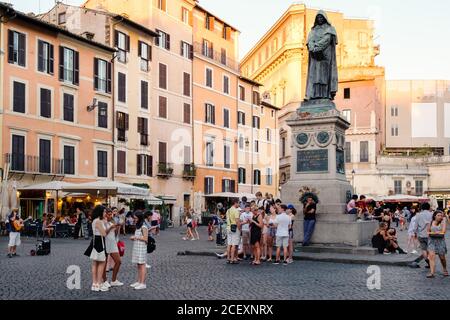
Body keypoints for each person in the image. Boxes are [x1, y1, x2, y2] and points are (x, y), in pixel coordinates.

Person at [86, 205, 108, 292]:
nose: (105, 213)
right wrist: (106, 225)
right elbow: (104, 233)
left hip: (95, 241)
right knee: (101, 263)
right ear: (101, 212)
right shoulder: (98, 221)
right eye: (104, 212)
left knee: (95, 263)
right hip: (100, 242)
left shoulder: (95, 220)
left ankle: (94, 284)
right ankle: (98, 283)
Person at [102, 208, 123, 287]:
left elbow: (115, 233)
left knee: (118, 261)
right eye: (109, 214)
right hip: (105, 242)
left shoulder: (112, 221)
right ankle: (104, 280)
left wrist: (117, 228)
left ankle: (114, 280)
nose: (110, 216)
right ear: (105, 214)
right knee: (104, 263)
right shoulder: (103, 222)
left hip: (113, 242)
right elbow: (104, 233)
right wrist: (111, 228)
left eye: (111, 214)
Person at [130, 211, 148, 290]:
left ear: (140, 218)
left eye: (136, 218)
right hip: (137, 247)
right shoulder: (138, 226)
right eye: (134, 218)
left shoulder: (143, 227)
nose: (134, 219)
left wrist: (135, 237)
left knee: (142, 265)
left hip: (141, 248)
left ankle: (143, 283)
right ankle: (139, 281)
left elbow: (145, 238)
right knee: (138, 265)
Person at [426, 211, 448, 278]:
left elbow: (443, 231)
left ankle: (444, 268)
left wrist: (434, 232)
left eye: (441, 215)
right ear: (435, 216)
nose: (440, 217)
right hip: (431, 241)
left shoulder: (443, 222)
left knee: (442, 258)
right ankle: (432, 273)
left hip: (440, 241)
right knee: (431, 257)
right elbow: (428, 231)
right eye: (438, 215)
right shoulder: (430, 222)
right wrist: (436, 232)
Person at [414, 202, 433, 269]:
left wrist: (415, 233)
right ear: (428, 207)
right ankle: (430, 261)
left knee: (424, 249)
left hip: (421, 234)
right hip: (430, 235)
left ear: (422, 208)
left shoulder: (418, 215)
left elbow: (415, 226)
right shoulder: (432, 214)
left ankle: (427, 260)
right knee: (430, 249)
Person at [226, 199, 241, 264]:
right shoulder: (236, 211)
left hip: (228, 227)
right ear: (235, 203)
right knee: (234, 244)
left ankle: (228, 258)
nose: (239, 204)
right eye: (238, 203)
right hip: (235, 228)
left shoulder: (228, 210)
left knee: (229, 244)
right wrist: (239, 228)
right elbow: (237, 221)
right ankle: (232, 259)